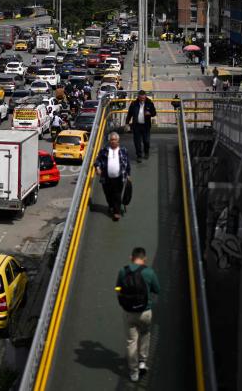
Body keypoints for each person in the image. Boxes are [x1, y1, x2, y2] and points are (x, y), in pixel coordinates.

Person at [116, 247, 160, 382]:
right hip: (145, 311)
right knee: (145, 334)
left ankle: (133, 372)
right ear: (144, 258)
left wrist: (121, 299)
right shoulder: (149, 272)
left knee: (131, 342)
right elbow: (157, 289)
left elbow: (118, 288)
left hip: (129, 312)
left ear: (131, 257)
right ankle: (142, 361)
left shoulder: (123, 271)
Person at [94, 132, 131, 221]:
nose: (113, 141)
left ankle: (116, 212)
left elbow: (127, 163)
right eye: (111, 140)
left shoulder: (123, 150)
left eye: (115, 140)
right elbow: (97, 161)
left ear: (118, 141)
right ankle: (111, 205)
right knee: (108, 194)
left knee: (117, 195)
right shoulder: (104, 150)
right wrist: (98, 168)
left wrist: (128, 175)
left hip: (119, 177)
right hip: (106, 177)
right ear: (109, 141)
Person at [125, 90, 157, 163]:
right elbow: (129, 114)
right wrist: (127, 123)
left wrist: (150, 113)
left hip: (146, 126)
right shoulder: (133, 104)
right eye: (141, 98)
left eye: (143, 98)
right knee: (137, 142)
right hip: (136, 126)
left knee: (146, 141)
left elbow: (154, 113)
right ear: (138, 97)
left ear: (145, 97)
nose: (142, 100)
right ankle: (139, 156)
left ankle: (146, 152)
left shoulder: (150, 103)